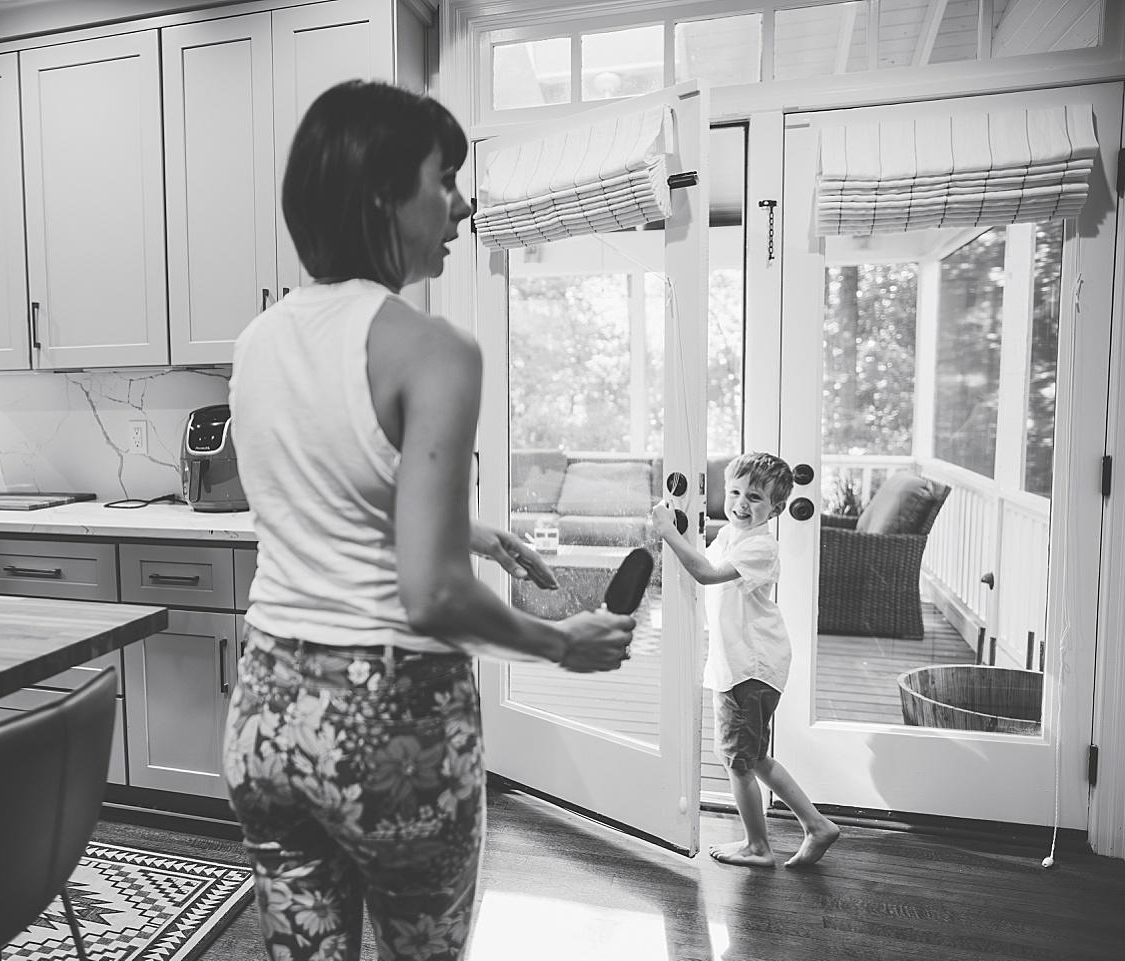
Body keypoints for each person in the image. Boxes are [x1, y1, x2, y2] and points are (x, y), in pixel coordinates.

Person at [224, 80, 637, 961]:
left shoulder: (257, 341)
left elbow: (332, 490)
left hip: (264, 710)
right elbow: (433, 595)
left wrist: (474, 531)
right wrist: (565, 641)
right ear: (382, 193)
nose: (461, 203)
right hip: (388, 726)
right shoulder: (433, 348)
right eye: (444, 178)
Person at [651, 452, 840, 868]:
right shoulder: (734, 535)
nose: (740, 502)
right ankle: (817, 826)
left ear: (775, 508)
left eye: (754, 497)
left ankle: (759, 846)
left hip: (749, 669)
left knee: (738, 763)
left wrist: (668, 531)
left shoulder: (760, 546)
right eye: (735, 492)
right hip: (743, 666)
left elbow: (704, 572)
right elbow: (705, 556)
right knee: (754, 759)